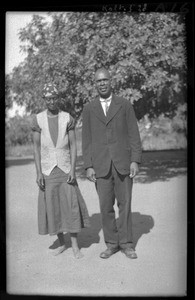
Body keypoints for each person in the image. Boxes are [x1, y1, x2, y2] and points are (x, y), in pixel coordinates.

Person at [82, 68, 142, 259]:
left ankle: (126, 244)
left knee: (125, 205)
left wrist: (135, 160)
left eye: (105, 80)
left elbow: (134, 134)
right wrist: (88, 165)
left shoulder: (124, 105)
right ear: (95, 84)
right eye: (98, 81)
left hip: (123, 163)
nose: (102, 83)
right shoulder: (89, 108)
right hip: (101, 166)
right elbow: (86, 140)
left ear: (111, 81)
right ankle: (112, 244)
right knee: (105, 207)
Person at [31, 83, 90, 259]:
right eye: (48, 98)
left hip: (65, 169)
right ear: (44, 100)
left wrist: (72, 169)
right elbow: (35, 148)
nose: (51, 101)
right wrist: (38, 172)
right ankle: (62, 243)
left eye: (54, 98)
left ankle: (75, 246)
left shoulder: (67, 118)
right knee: (53, 206)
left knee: (70, 205)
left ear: (58, 99)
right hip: (48, 170)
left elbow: (73, 145)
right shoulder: (38, 119)